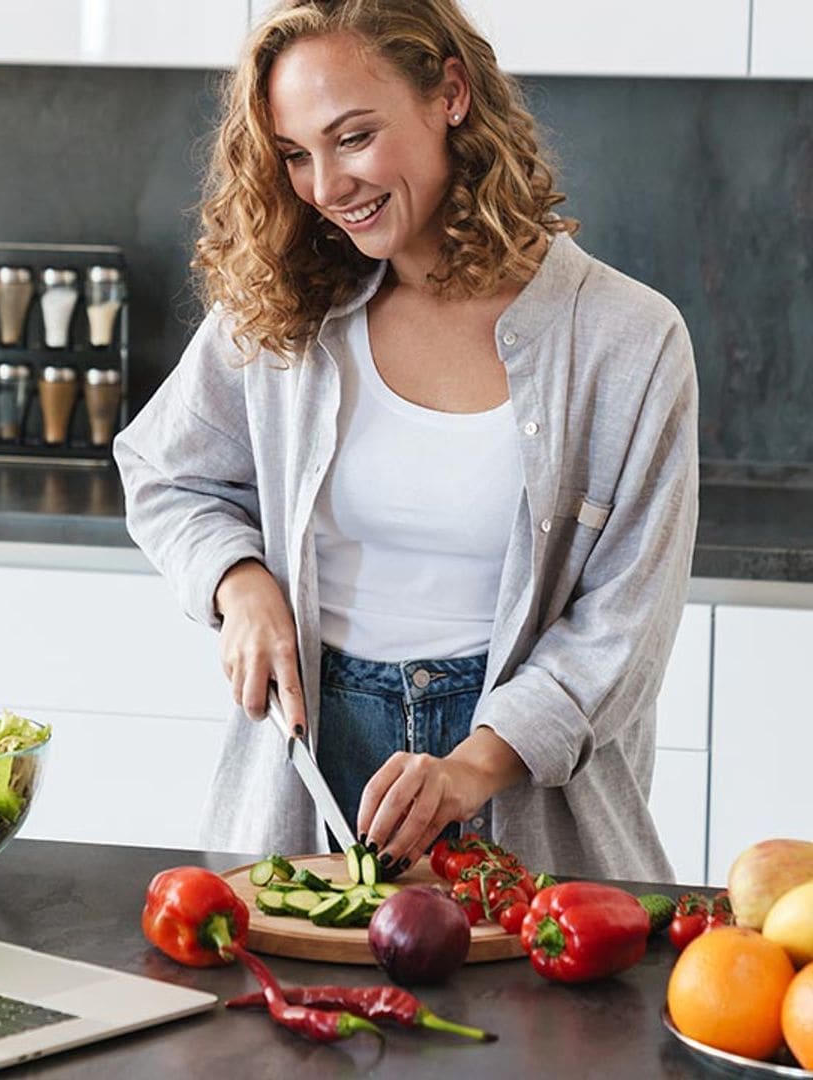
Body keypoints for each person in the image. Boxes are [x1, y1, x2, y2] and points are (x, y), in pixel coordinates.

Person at [114, 0, 698, 881]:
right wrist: (238, 584)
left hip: (520, 798)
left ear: (450, 95)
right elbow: (164, 472)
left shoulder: (628, 340)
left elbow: (622, 628)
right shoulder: (284, 311)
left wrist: (471, 767)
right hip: (309, 780)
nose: (324, 187)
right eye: (295, 155)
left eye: (353, 138)